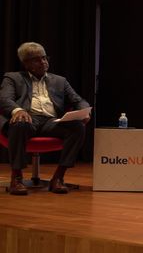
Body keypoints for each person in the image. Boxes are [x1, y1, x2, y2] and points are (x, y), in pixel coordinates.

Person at [0, 42, 90, 195]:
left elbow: (78, 100)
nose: (43, 62)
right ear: (26, 63)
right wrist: (18, 110)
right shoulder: (13, 77)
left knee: (78, 127)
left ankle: (58, 177)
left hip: (51, 122)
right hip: (28, 120)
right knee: (19, 123)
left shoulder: (59, 80)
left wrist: (84, 111)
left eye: (44, 58)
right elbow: (4, 98)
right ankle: (17, 178)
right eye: (37, 59)